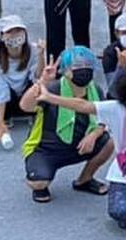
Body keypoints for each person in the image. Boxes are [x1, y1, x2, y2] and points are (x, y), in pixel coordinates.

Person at [35, 67, 126, 229]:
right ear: (125, 98)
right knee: (120, 211)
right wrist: (49, 97)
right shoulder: (116, 109)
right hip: (125, 174)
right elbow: (83, 105)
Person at [19, 46, 114, 204]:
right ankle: (40, 180)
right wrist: (42, 81)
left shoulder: (95, 90)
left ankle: (84, 180)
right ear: (66, 71)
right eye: (77, 67)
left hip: (80, 145)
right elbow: (25, 106)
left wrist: (94, 134)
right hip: (47, 149)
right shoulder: (53, 89)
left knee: (109, 142)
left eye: (87, 66)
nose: (83, 71)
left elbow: (103, 119)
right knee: (39, 182)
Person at [0, 15, 43, 151]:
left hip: (28, 93)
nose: (15, 35)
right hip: (9, 98)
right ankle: (5, 119)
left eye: (18, 31)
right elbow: (0, 88)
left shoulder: (34, 50)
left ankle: (37, 114)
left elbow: (39, 77)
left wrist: (42, 56)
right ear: (2, 37)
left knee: (39, 87)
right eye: (9, 32)